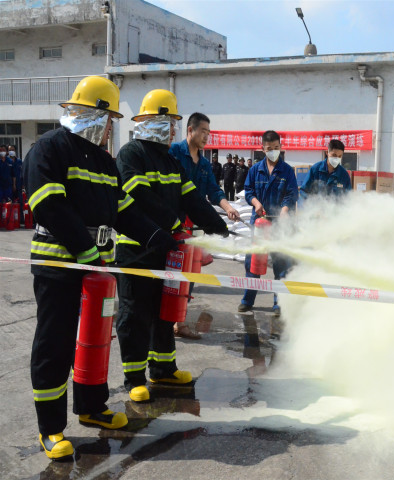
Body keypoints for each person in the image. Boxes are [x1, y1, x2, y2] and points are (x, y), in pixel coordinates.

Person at [22, 76, 178, 461]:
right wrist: (85, 250)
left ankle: (92, 408)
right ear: (95, 115)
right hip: (58, 263)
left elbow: (123, 209)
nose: (112, 128)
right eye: (110, 120)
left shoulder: (104, 160)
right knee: (54, 344)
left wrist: (157, 236)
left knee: (95, 339)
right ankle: (50, 428)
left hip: (95, 267)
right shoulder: (50, 149)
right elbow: (49, 206)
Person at [115, 89, 229, 404]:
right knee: (134, 314)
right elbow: (140, 195)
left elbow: (191, 197)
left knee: (165, 311)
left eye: (173, 123)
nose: (171, 129)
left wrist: (216, 224)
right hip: (136, 250)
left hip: (165, 251)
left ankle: (163, 369)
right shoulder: (131, 153)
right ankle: (134, 378)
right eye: (166, 121)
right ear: (149, 121)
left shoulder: (170, 161)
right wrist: (174, 223)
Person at [169, 112, 240, 339]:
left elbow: (214, 190)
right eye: (203, 131)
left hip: (193, 226)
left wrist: (228, 208)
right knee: (168, 273)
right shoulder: (173, 154)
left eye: (209, 132)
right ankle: (164, 320)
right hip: (170, 223)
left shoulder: (205, 164)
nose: (206, 136)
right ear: (190, 130)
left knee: (189, 274)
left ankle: (179, 322)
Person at [238, 130, 298, 316]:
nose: (274, 151)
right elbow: (248, 191)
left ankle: (278, 303)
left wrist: (285, 210)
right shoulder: (255, 170)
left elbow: (292, 194)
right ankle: (248, 300)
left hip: (279, 224)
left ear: (281, 147)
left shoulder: (287, 170)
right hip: (259, 224)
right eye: (270, 148)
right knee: (253, 263)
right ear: (263, 149)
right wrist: (255, 203)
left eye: (277, 148)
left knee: (280, 264)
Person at [9, 145, 24, 224]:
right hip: (9, 185)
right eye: (10, 150)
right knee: (10, 203)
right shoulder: (7, 161)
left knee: (20, 203)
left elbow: (22, 173)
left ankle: (21, 219)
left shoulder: (19, 161)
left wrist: (23, 184)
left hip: (19, 184)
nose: (11, 151)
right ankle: (11, 220)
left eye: (13, 149)